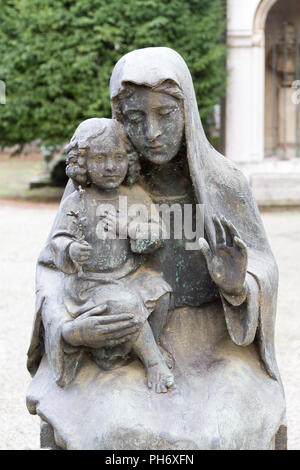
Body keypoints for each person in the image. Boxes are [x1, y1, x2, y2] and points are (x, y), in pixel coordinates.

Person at [27, 48, 286, 450]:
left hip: (213, 347)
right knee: (117, 432)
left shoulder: (226, 183)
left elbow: (263, 270)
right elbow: (53, 269)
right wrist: (71, 331)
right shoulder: (91, 188)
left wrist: (237, 284)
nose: (151, 132)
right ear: (118, 120)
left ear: (188, 111)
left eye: (164, 115)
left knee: (226, 431)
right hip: (121, 346)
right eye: (134, 118)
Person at [49, 117, 173, 392]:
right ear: (83, 163)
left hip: (128, 276)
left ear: (129, 159)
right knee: (126, 304)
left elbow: (157, 235)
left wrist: (128, 227)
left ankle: (140, 347)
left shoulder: (137, 196)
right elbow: (57, 240)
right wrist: (71, 249)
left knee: (161, 292)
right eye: (100, 158)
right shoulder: (78, 201)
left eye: (118, 157)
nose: (110, 166)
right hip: (90, 283)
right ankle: (152, 362)